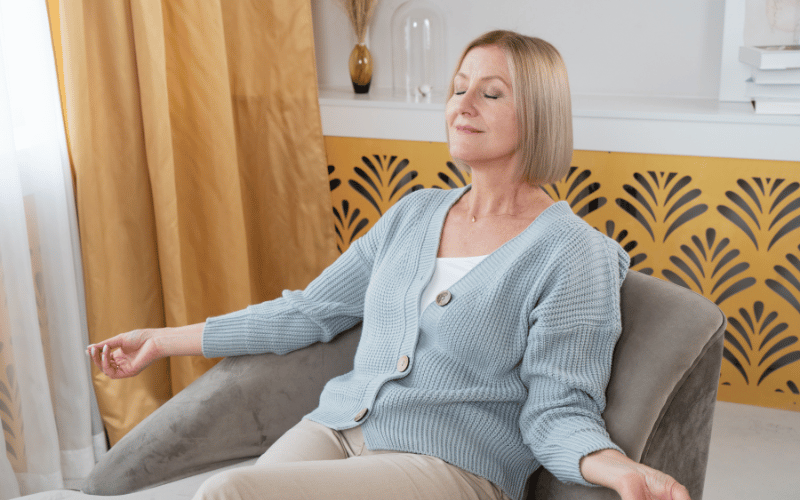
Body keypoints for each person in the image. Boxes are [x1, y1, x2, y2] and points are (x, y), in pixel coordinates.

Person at [88, 30, 691, 500]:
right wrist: (163, 342)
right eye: (459, 87)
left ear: (538, 112)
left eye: (492, 92)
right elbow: (308, 312)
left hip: (449, 466)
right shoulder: (414, 213)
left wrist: (614, 468)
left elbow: (559, 407)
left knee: (228, 492)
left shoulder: (574, 253)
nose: (463, 104)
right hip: (335, 429)